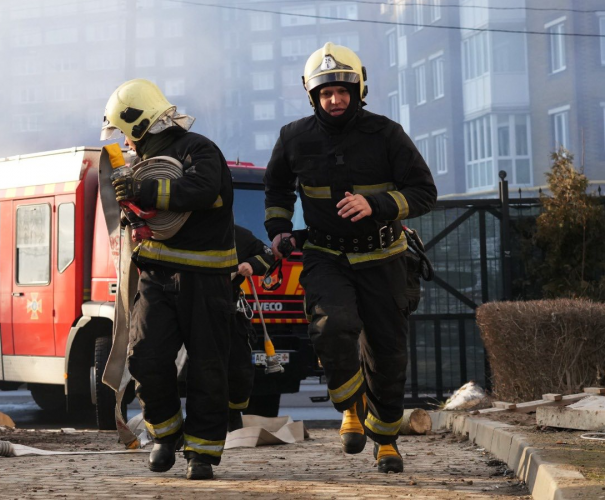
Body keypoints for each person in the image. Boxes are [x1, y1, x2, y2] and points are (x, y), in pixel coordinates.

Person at [263, 42, 437, 473]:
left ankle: (387, 441)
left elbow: (423, 193)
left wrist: (375, 204)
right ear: (312, 95)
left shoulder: (388, 134)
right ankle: (351, 409)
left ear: (359, 89)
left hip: (384, 256)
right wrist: (279, 229)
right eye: (326, 93)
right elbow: (277, 189)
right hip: (325, 254)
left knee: (389, 353)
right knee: (333, 327)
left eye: (343, 90)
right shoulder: (293, 137)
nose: (335, 99)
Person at [101, 78, 237, 480]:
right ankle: (165, 433)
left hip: (206, 278)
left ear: (139, 123)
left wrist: (143, 189)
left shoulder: (199, 149)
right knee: (144, 357)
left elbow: (202, 189)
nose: (123, 141)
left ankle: (202, 453)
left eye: (125, 131)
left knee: (208, 367)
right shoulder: (137, 163)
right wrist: (132, 205)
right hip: (156, 276)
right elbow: (145, 214)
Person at [228, 224, 273, 431]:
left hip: (229, 312)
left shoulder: (238, 234)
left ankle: (233, 416)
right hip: (192, 309)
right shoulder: (185, 230)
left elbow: (268, 255)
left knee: (238, 367)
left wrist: (251, 264)